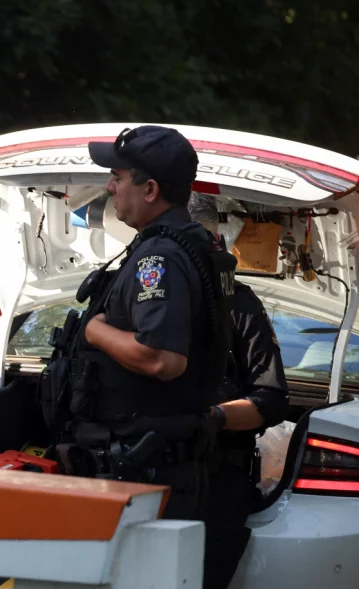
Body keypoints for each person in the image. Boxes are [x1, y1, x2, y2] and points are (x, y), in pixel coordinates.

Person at [48, 125, 236, 520]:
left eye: (117, 178)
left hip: (141, 469)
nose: (109, 187)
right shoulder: (185, 244)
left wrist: (95, 331)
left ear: (150, 190)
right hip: (150, 465)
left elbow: (161, 360)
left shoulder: (161, 257)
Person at [186, 193, 290, 589]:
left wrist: (213, 418)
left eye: (207, 241)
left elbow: (271, 399)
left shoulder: (239, 304)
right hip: (138, 473)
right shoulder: (130, 297)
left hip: (216, 476)